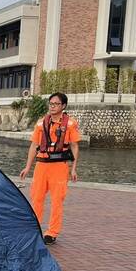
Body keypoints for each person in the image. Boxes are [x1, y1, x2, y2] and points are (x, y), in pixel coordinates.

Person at [19, 92, 81, 245]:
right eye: (51, 104)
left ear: (63, 106)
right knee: (36, 198)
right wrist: (28, 167)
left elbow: (74, 146)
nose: (52, 106)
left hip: (59, 166)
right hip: (41, 165)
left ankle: (52, 232)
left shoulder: (70, 124)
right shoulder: (41, 123)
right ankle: (35, 228)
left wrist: (73, 168)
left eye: (56, 104)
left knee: (56, 200)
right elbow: (34, 145)